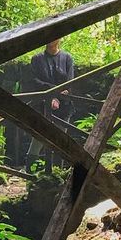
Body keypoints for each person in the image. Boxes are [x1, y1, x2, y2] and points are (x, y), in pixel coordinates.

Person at [24, 38, 76, 172]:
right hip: (43, 103)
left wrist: (59, 96)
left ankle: (60, 171)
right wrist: (52, 94)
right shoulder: (37, 59)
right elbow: (35, 81)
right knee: (40, 135)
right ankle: (30, 169)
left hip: (64, 104)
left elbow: (70, 81)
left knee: (61, 138)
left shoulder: (67, 58)